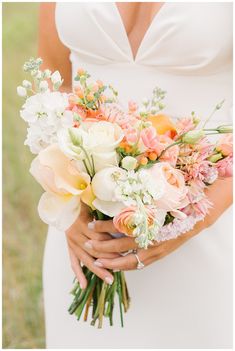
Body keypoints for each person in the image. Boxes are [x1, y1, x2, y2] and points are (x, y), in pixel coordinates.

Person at [39, 2, 233, 348]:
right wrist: (67, 199)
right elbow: (55, 80)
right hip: (86, 232)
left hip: (209, 222)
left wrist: (191, 224)